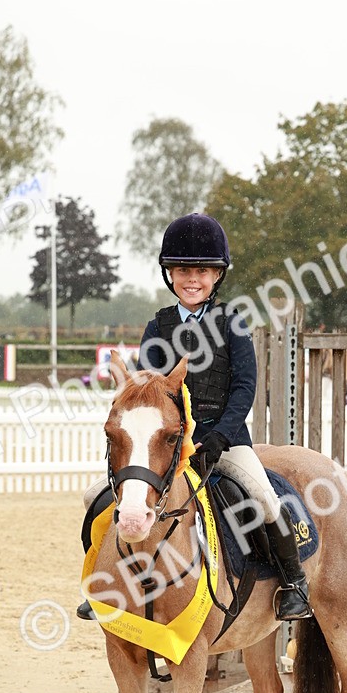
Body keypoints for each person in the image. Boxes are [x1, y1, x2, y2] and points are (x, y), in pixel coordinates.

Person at [77, 212, 312, 622]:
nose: (192, 280)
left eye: (202, 271)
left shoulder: (232, 323)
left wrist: (221, 434)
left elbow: (244, 387)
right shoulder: (158, 326)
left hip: (224, 442)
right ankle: (106, 584)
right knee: (95, 498)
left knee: (263, 497)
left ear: (216, 276)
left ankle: (294, 583)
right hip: (167, 447)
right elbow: (148, 393)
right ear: (170, 274)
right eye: (183, 270)